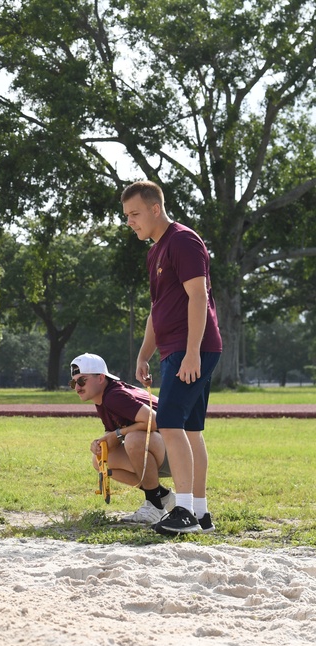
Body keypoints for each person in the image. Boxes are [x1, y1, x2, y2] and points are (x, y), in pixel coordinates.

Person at [124, 180, 222, 535]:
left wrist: (193, 352)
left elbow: (199, 297)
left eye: (135, 214)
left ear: (155, 208)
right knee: (192, 430)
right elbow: (157, 309)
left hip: (191, 348)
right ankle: (201, 512)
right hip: (175, 349)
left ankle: (183, 511)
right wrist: (144, 354)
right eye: (126, 216)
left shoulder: (182, 240)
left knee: (169, 422)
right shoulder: (155, 252)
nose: (130, 221)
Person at [69, 353, 175, 524]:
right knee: (100, 458)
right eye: (73, 383)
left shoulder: (114, 396)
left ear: (101, 378)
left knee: (134, 439)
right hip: (162, 449)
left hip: (177, 451)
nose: (77, 387)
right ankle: (162, 496)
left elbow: (154, 421)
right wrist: (100, 442)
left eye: (82, 381)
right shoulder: (103, 399)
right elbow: (115, 432)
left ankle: (155, 506)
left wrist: (117, 434)